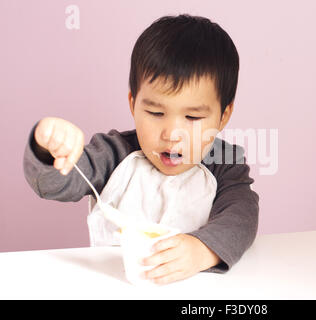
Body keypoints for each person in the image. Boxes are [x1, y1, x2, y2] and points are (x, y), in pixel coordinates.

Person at [23, 14, 259, 285]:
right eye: (156, 112)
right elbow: (52, 184)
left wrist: (201, 249)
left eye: (192, 118)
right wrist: (48, 148)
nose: (171, 134)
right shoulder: (112, 155)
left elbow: (242, 217)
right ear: (133, 103)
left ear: (223, 115)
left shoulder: (224, 165)